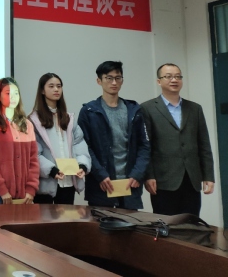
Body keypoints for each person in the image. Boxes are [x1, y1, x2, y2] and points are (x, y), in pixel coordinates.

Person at [140, 63, 214, 216]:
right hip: (163, 180)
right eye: (168, 76)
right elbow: (145, 146)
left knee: (191, 224)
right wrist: (149, 175)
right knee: (166, 224)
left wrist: (208, 176)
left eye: (178, 76)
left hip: (192, 179)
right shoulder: (147, 108)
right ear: (159, 81)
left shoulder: (195, 108)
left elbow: (204, 145)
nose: (174, 80)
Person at [78, 61, 150, 210]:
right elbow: (84, 147)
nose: (114, 82)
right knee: (102, 224)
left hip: (130, 183)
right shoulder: (89, 111)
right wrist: (100, 174)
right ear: (99, 81)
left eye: (118, 78)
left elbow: (144, 145)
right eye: (109, 78)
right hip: (102, 184)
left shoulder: (134, 110)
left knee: (130, 223)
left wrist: (137, 174)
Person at [29, 73, 90, 204]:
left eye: (59, 86)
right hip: (46, 183)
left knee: (67, 217)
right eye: (51, 86)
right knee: (45, 217)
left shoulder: (69, 119)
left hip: (68, 182)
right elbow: (33, 153)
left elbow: (79, 145)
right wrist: (51, 170)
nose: (56, 89)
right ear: (42, 90)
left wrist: (82, 166)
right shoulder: (34, 120)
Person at [0, 77, 38, 204]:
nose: (13, 97)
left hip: (23, 194)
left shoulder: (27, 124)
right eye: (8, 93)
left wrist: (31, 189)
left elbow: (34, 160)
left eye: (16, 93)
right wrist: (2, 189)